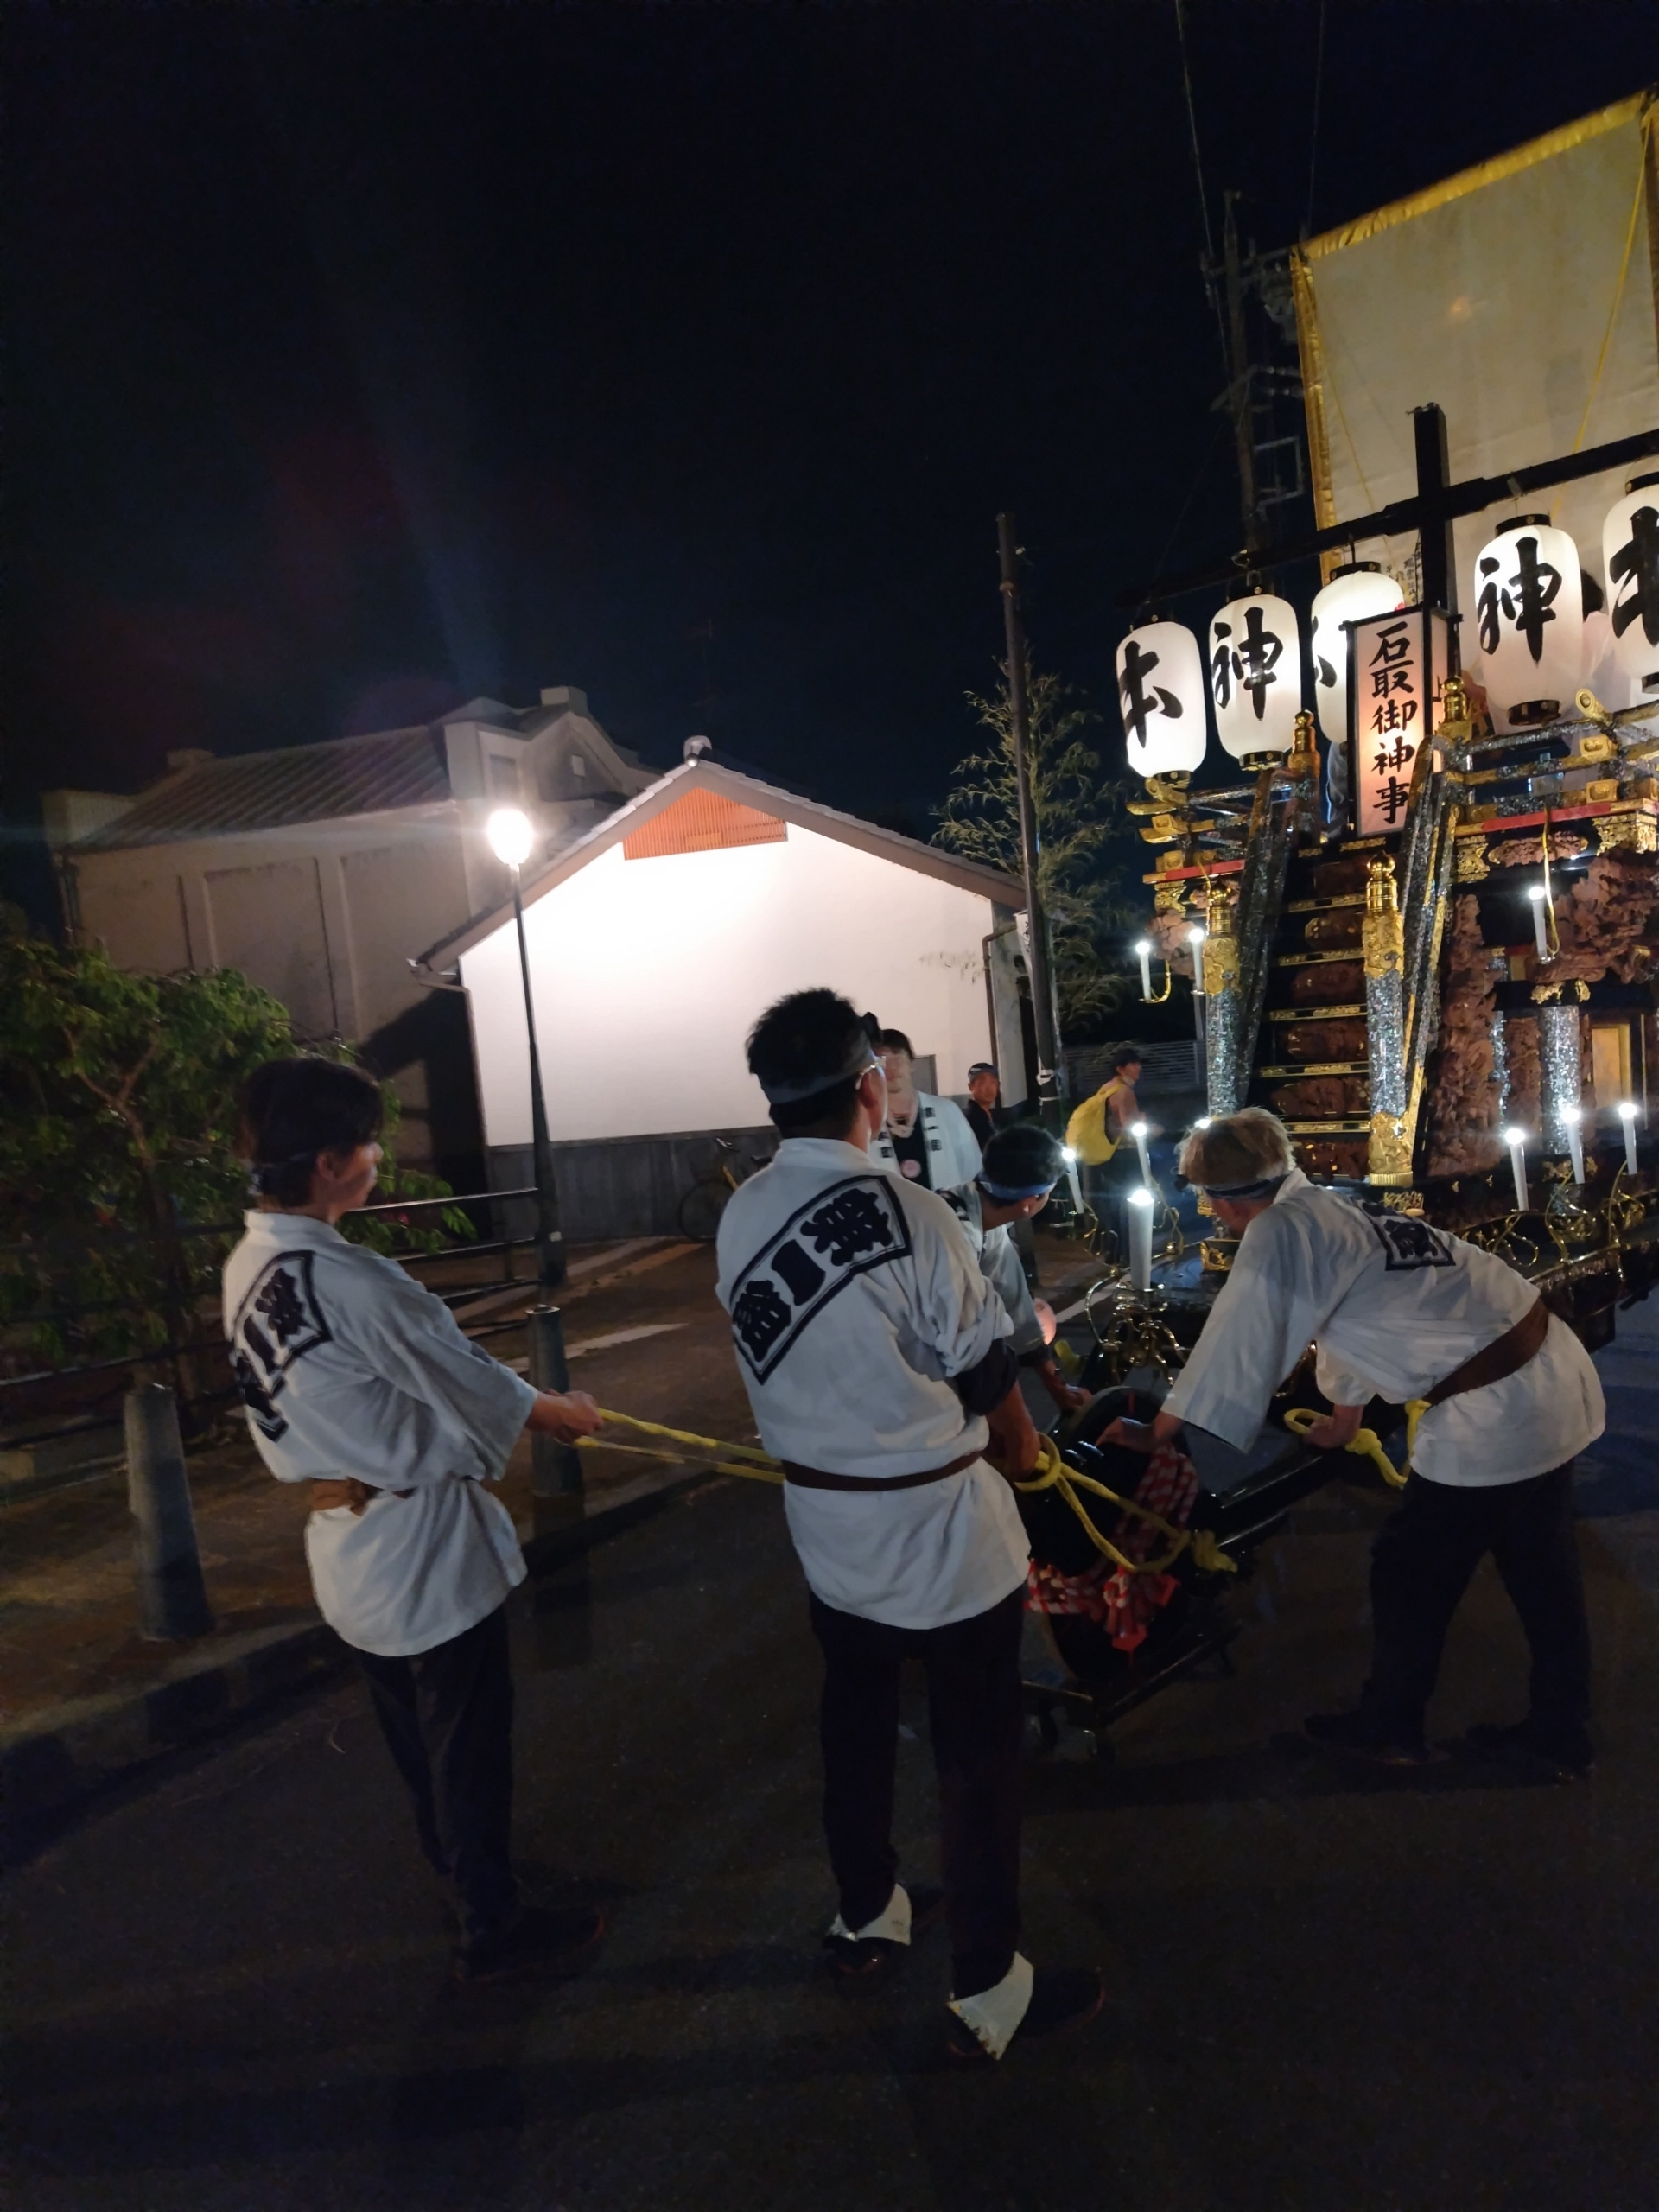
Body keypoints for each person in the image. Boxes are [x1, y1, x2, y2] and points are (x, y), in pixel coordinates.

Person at [715, 989, 1102, 2063]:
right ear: (868, 1086)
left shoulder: (741, 1216)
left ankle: (866, 1912)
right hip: (940, 1530)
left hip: (826, 1528)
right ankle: (988, 1986)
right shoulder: (912, 1213)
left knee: (854, 1722)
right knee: (976, 1758)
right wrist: (1028, 1454)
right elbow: (987, 1376)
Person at [223, 1057, 607, 1981]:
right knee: (467, 1742)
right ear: (327, 1163)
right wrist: (557, 1411)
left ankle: (460, 1870)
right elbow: (468, 1379)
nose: (377, 1157)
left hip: (345, 1537)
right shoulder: (353, 1281)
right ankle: (491, 1924)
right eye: (366, 1143)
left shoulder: (248, 1266)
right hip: (418, 1540)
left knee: (416, 1735)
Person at [1103, 1108, 1605, 1778]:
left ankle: (1391, 1725)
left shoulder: (1279, 1228)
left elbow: (1236, 1337)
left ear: (1222, 1198)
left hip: (1497, 1409)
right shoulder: (1328, 1207)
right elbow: (1348, 1319)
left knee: (1408, 1569)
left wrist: (1158, 1430)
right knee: (1542, 1567)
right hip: (1548, 1369)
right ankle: (1561, 1733)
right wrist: (1345, 1420)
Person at [946, 1122, 1092, 1421]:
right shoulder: (956, 1237)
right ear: (1029, 1203)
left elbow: (1016, 1305)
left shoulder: (976, 1209)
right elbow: (975, 1346)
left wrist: (1058, 1388)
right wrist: (1021, 1431)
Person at [869, 1027, 983, 1198]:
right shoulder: (864, 1118)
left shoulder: (947, 1110)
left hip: (946, 1211)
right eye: (881, 1060)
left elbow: (972, 1167)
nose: (891, 1067)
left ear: (911, 1064)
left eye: (897, 1057)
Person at [963, 1062, 1009, 1153]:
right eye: (982, 1082)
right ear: (971, 1087)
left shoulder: (998, 1116)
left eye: (993, 1082)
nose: (989, 1088)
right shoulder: (969, 1119)